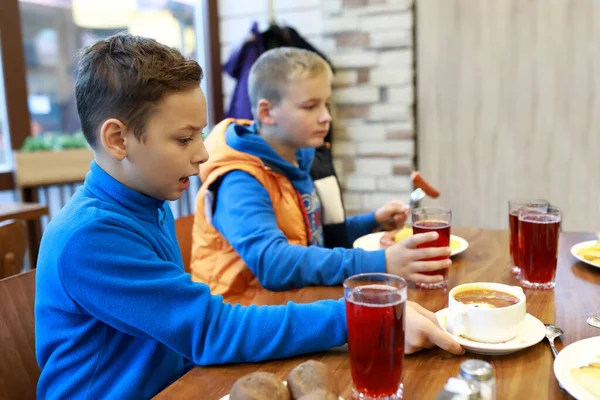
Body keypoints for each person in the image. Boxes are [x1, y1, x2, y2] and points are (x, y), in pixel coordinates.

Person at [34, 34, 461, 400]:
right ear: (118, 139)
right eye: (184, 139)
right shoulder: (91, 237)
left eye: (199, 135)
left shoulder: (144, 203)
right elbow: (209, 330)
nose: (202, 154)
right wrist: (355, 314)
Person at [191, 47, 451, 306]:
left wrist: (371, 223)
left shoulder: (298, 158)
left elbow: (312, 236)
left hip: (284, 299)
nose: (326, 117)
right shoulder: (239, 180)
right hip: (240, 315)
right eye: (310, 106)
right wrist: (379, 262)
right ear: (267, 113)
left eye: (326, 103)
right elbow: (274, 264)